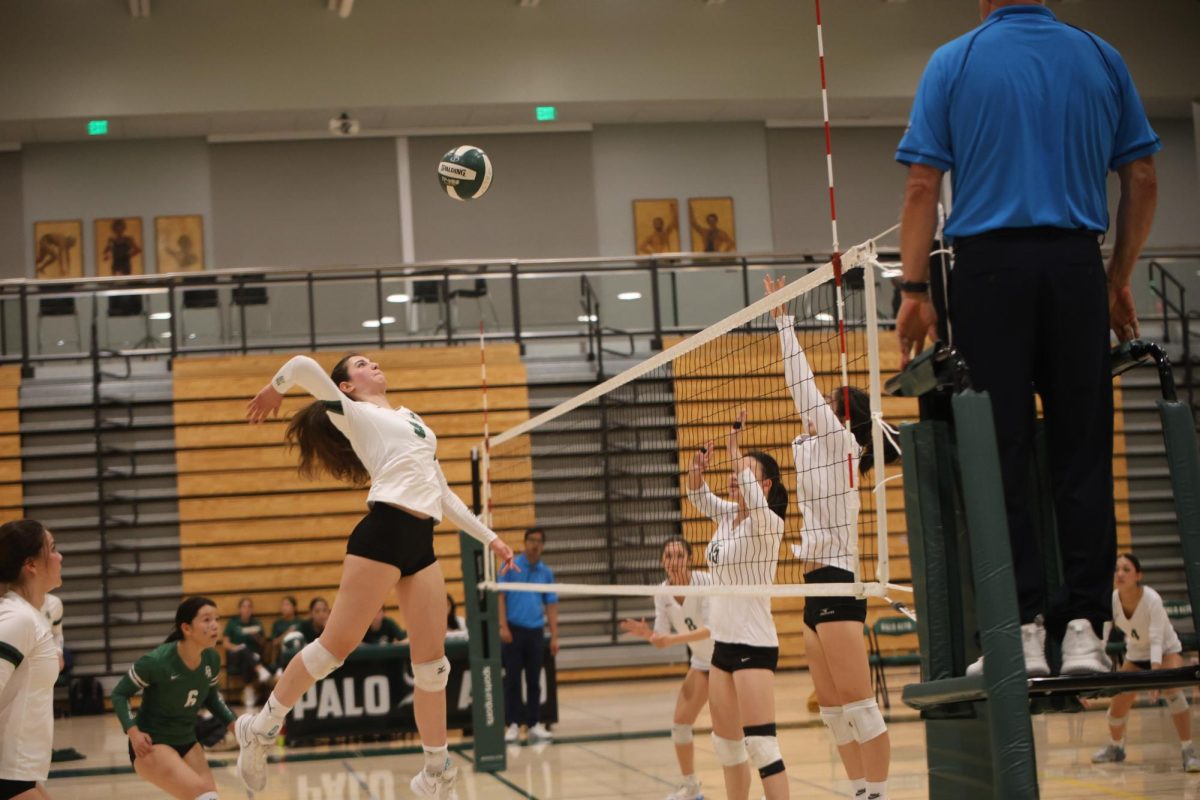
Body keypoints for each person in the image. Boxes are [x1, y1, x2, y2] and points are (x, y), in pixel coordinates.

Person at [894, 0, 1160, 676]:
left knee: (999, 452)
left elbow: (922, 186)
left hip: (987, 276)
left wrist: (915, 291)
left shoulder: (954, 61)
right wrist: (1116, 277)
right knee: (1082, 451)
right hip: (1075, 266)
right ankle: (1082, 634)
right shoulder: (1101, 56)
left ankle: (1018, 629)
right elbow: (1143, 177)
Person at [239, 353, 515, 798]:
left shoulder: (413, 419)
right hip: (383, 532)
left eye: (372, 361)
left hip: (420, 541)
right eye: (362, 364)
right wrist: (277, 387)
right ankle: (261, 726)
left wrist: (491, 538)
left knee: (433, 668)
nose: (374, 365)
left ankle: (434, 772)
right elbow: (305, 365)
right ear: (347, 386)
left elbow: (442, 492)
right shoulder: (353, 412)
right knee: (333, 649)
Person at [766, 275, 895, 800]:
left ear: (843, 415)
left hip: (839, 582)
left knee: (860, 705)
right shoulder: (816, 449)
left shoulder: (840, 442)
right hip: (813, 583)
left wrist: (783, 321)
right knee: (835, 710)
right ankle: (861, 790)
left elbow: (801, 387)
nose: (816, 405)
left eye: (828, 401)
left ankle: (879, 794)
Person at [687, 425, 789, 800]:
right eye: (734, 469)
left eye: (744, 472)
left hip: (754, 645)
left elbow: (753, 502)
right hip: (723, 645)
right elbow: (699, 497)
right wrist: (696, 474)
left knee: (761, 747)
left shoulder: (768, 525)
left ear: (764, 486)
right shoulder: (729, 517)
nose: (734, 476)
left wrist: (734, 449)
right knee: (726, 747)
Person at [111, 597, 237, 800]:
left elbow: (212, 697)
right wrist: (133, 732)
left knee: (210, 796)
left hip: (187, 740)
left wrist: (235, 726)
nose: (215, 625)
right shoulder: (157, 662)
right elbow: (119, 693)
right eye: (206, 620)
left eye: (216, 619)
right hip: (153, 744)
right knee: (204, 797)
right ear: (186, 628)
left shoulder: (211, 658)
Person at [620, 536, 714, 800]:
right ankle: (692, 788)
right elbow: (661, 639)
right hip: (700, 663)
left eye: (679, 556)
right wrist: (647, 633)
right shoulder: (662, 592)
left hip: (724, 661)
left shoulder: (705, 582)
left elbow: (710, 629)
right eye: (669, 557)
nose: (674, 562)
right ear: (662, 562)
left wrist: (670, 639)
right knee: (680, 725)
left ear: (690, 559)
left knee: (734, 731)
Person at [1092, 554, 1200, 772]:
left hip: (1166, 651)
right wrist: (1098, 670)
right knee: (1118, 702)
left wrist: (1156, 676)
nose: (1120, 574)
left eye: (1126, 569)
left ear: (1138, 575)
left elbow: (1157, 639)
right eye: (1117, 570)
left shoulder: (1152, 599)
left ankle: (1189, 751)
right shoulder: (1112, 599)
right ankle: (1116, 748)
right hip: (1136, 655)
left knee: (1171, 690)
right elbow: (1103, 636)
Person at [0, 520, 63, 800]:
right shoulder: (18, 619)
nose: (60, 557)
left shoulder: (32, 616)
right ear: (31, 564)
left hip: (20, 772)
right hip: (6, 771)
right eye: (52, 549)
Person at [498, 527, 559, 743]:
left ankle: (533, 724)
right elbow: (501, 597)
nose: (535, 545)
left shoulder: (545, 572)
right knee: (513, 680)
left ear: (543, 545)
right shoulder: (510, 565)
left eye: (539, 541)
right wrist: (503, 626)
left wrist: (554, 636)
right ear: (524, 543)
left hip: (535, 632)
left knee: (534, 680)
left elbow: (551, 604)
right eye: (531, 540)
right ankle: (513, 724)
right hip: (513, 631)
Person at [222, 597, 272, 709]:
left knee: (248, 659)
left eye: (249, 606)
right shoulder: (233, 623)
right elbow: (225, 643)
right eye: (244, 606)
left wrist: (257, 637)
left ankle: (248, 690)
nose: (247, 609)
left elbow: (263, 643)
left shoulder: (256, 623)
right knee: (244, 650)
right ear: (239, 609)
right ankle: (260, 669)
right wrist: (237, 647)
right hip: (235, 655)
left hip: (252, 656)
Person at [40, 594, 65, 675]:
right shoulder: (12, 603)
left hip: (45, 666)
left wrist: (58, 651)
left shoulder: (54, 602)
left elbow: (56, 633)